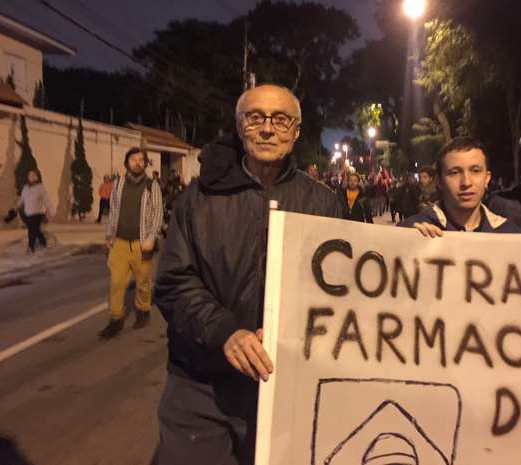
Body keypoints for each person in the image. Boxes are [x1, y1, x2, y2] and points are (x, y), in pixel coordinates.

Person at [153, 84, 343, 465]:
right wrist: (225, 332)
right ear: (240, 128)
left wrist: (417, 242)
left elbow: (344, 289)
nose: (268, 129)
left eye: (280, 119)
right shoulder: (198, 197)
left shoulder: (323, 202)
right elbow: (173, 281)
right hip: (201, 385)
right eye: (255, 118)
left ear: (296, 130)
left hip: (288, 386)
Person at [398, 137, 521, 235]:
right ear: (439, 181)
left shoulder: (511, 236)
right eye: (455, 173)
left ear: (487, 178)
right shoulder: (413, 230)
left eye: (475, 171)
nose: (466, 182)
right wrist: (407, 241)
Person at [100, 148, 163, 339]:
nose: (137, 163)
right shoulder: (118, 183)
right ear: (127, 162)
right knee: (117, 282)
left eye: (141, 160)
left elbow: (158, 214)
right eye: (133, 159)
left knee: (143, 283)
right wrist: (109, 236)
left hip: (141, 244)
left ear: (145, 164)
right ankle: (115, 319)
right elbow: (113, 210)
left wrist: (151, 238)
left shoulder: (152, 186)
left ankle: (143, 310)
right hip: (119, 242)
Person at [16, 169, 55, 255]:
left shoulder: (40, 188)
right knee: (35, 229)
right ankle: (44, 242)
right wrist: (18, 205)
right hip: (28, 212)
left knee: (32, 229)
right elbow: (22, 199)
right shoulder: (26, 188)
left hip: (38, 212)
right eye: (29, 175)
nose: (30, 176)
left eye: (33, 175)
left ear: (37, 177)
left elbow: (47, 200)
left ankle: (31, 248)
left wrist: (51, 210)